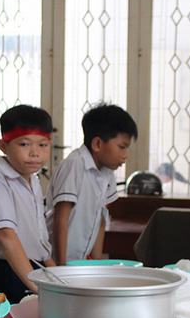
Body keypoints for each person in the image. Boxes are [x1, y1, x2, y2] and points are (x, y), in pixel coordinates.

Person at [0, 104, 55, 303]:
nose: (35, 153)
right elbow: (5, 236)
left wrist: (55, 273)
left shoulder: (33, 179)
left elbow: (39, 238)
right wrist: (35, 286)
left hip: (33, 268)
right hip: (6, 271)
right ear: (3, 146)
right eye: (24, 144)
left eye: (43, 145)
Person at [46, 103, 138, 265]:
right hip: (56, 261)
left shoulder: (107, 171)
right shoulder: (74, 164)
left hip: (79, 262)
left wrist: (96, 264)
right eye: (122, 147)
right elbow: (61, 219)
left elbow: (100, 220)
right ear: (97, 144)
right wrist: (61, 267)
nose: (126, 155)